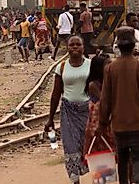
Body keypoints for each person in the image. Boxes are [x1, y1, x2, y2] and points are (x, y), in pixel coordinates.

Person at [100, 27, 139, 184]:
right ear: (134, 46)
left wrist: (102, 123)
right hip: (138, 122)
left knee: (122, 159)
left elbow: (105, 99)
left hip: (118, 124)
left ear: (118, 46)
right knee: (138, 156)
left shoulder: (110, 68)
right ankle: (137, 179)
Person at [46, 35, 92, 183]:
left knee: (94, 145)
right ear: (67, 47)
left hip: (89, 112)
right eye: (72, 45)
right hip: (68, 113)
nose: (75, 47)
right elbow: (56, 94)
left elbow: (100, 88)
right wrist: (50, 118)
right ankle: (75, 180)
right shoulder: (62, 67)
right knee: (71, 146)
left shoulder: (91, 65)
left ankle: (101, 178)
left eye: (78, 44)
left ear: (83, 47)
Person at [83, 54, 115, 165]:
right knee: (101, 150)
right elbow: (104, 100)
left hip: (109, 118)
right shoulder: (94, 85)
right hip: (98, 120)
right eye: (108, 64)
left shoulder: (109, 80)